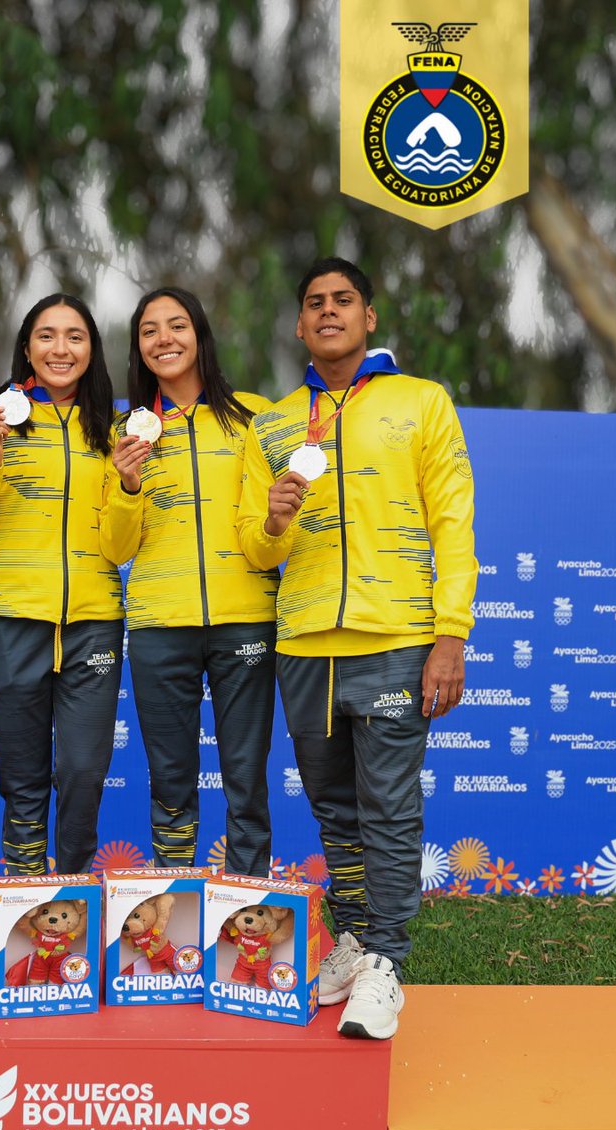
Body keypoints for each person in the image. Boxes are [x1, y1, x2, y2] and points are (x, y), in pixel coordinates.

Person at [237, 256, 478, 1039]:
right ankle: (352, 939)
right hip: (305, 641)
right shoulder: (272, 424)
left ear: (369, 317)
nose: (329, 311)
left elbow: (453, 523)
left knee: (389, 807)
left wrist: (451, 635)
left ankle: (388, 962)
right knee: (335, 810)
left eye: (344, 300)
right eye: (315, 303)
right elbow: (254, 551)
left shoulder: (421, 402)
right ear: (301, 326)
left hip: (396, 637)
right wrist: (274, 521)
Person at [100, 287, 279, 876]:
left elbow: (276, 523)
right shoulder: (126, 429)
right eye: (150, 331)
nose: (164, 339)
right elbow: (115, 546)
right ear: (139, 349)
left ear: (200, 335)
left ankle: (249, 901)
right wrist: (127, 486)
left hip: (247, 617)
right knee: (171, 777)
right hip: (159, 625)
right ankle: (174, 908)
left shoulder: (255, 416)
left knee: (246, 775)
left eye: (177, 326)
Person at [0, 294, 123, 875]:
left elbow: (123, 542)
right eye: (46, 335)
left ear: (92, 348)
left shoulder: (112, 427)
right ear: (26, 346)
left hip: (94, 621)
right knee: (22, 772)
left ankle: (72, 891)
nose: (61, 349)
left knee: (84, 771)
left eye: (75, 336)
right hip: (12, 617)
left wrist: (130, 488)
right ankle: (24, 890)